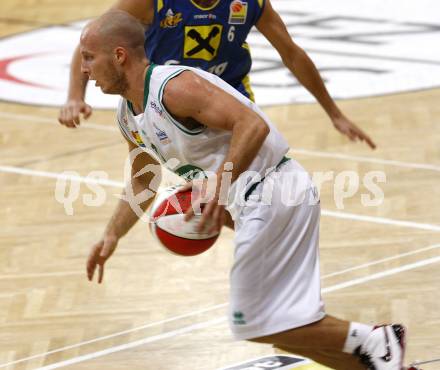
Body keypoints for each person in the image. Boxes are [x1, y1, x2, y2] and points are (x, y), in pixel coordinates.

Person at [80, 10, 409, 370]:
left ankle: (378, 340)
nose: (83, 70)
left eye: (88, 57)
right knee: (281, 331)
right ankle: (382, 363)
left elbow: (252, 125)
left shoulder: (175, 86)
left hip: (275, 191)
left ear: (119, 56)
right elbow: (144, 179)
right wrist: (112, 234)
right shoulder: (128, 115)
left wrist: (219, 185)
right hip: (258, 202)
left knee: (251, 321)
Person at [58, 0, 376, 150]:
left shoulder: (250, 3)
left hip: (231, 97)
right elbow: (95, 39)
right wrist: (75, 95)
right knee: (194, 190)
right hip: (168, 103)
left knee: (241, 190)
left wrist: (334, 113)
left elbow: (291, 53)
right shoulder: (151, 1)